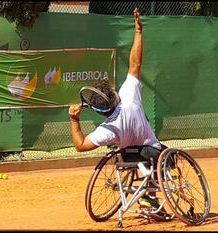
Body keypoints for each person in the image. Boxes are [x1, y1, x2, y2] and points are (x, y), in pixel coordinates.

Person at [68, 8, 167, 216]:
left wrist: (74, 119)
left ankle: (145, 196)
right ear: (115, 96)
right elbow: (135, 63)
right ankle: (151, 196)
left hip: (126, 158)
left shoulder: (107, 130)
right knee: (166, 157)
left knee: (125, 154)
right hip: (153, 154)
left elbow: (80, 145)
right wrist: (138, 32)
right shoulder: (128, 95)